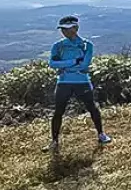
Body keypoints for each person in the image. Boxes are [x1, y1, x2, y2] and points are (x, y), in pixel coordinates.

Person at [43, 16, 112, 152]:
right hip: (65, 82)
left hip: (79, 81)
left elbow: (85, 64)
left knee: (92, 108)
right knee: (58, 111)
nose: (64, 32)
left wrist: (64, 66)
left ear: (76, 28)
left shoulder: (87, 45)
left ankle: (101, 134)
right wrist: (74, 62)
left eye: (67, 29)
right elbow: (52, 64)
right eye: (62, 29)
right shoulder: (58, 46)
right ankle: (54, 141)